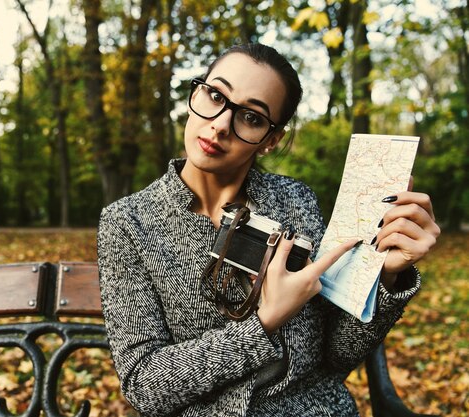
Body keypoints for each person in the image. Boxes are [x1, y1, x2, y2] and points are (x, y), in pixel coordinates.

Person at [97, 43, 440, 417]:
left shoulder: (296, 200)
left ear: (271, 140)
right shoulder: (127, 222)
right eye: (215, 96)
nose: (221, 124)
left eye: (252, 117)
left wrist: (387, 274)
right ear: (195, 93)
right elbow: (143, 386)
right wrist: (264, 323)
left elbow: (337, 356)